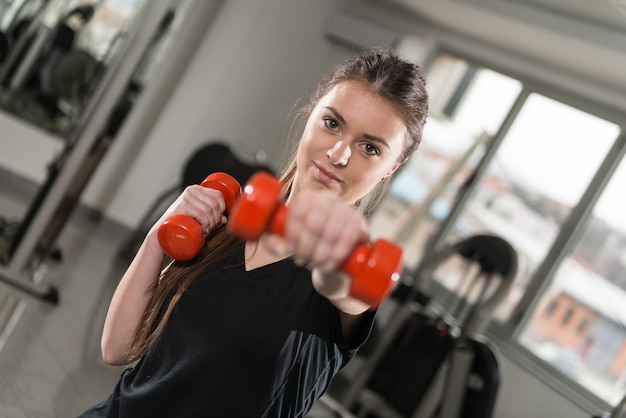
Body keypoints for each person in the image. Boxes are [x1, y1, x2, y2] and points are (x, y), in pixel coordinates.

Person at [78, 47, 428, 418]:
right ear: (310, 115)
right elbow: (117, 348)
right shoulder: (228, 221)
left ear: (392, 167)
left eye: (369, 148)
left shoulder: (350, 275)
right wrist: (160, 234)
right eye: (332, 124)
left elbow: (342, 285)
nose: (339, 154)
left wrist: (333, 250)